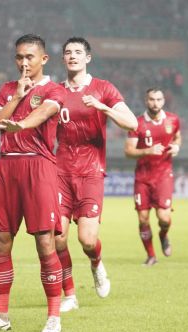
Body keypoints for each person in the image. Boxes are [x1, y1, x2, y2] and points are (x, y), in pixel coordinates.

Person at [0, 34, 66, 332]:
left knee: (44, 242)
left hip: (38, 168)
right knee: (0, 240)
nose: (23, 63)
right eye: (19, 57)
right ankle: (1, 316)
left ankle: (54, 316)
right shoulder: (7, 90)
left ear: (44, 59)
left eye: (29, 57)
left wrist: (21, 123)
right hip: (7, 166)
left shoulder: (54, 89)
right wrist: (16, 97)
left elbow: (44, 112)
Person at [54, 37, 138, 313]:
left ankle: (96, 263)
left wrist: (103, 107)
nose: (72, 56)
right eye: (68, 52)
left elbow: (132, 123)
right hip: (60, 173)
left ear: (88, 58)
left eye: (78, 52)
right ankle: (69, 295)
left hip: (91, 172)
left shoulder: (103, 88)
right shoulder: (56, 92)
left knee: (87, 240)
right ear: (63, 59)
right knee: (57, 238)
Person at [124, 88, 181, 266]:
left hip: (163, 175)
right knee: (143, 218)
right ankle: (151, 255)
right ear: (146, 101)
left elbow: (177, 137)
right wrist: (148, 150)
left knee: (164, 218)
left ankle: (163, 235)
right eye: (152, 99)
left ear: (163, 101)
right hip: (142, 177)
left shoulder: (173, 120)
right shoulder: (137, 123)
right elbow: (128, 151)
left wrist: (177, 146)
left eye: (158, 99)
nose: (155, 103)